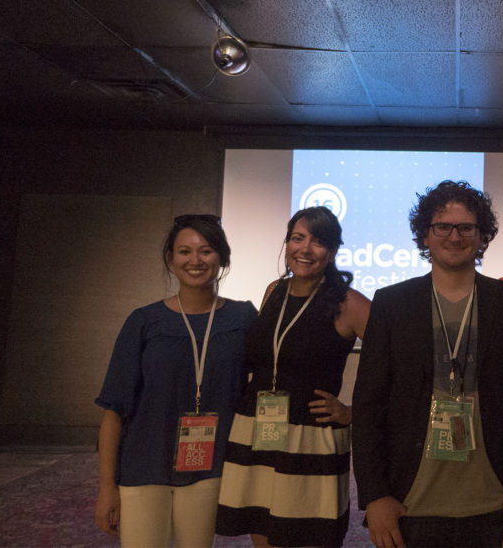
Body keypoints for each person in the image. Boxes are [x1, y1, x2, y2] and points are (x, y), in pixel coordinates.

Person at [352, 180, 503, 548]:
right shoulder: (392, 304)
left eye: (466, 228)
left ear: (481, 236)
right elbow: (368, 408)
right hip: (411, 502)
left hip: (499, 502)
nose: (454, 236)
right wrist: (374, 496)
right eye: (442, 226)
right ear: (425, 236)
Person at [95, 214, 257, 547]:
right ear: (171, 259)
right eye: (185, 251)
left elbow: (280, 374)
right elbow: (114, 410)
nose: (195, 260)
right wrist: (106, 487)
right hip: (143, 468)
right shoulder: (144, 321)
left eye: (206, 250)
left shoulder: (243, 318)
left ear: (223, 257)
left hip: (210, 467)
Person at [215, 206, 370, 548]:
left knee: (307, 536)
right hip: (258, 430)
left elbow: (402, 366)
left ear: (331, 252)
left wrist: (353, 412)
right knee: (263, 531)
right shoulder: (275, 291)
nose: (305, 248)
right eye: (297, 238)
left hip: (309, 439)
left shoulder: (350, 304)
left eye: (317, 242)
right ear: (287, 243)